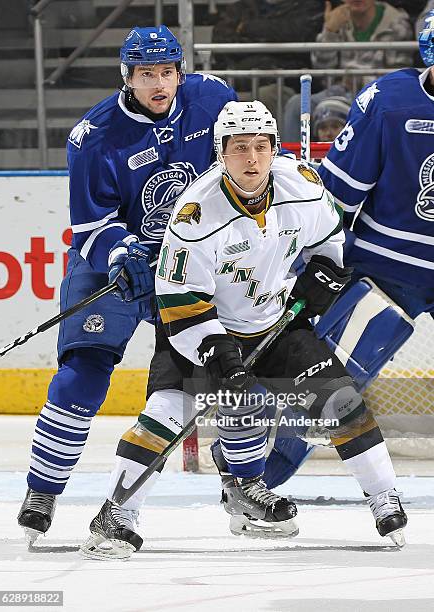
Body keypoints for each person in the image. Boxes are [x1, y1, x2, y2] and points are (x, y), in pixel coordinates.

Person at [80, 101, 407, 560]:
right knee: (166, 415)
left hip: (275, 320)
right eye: (239, 149)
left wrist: (322, 277)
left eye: (260, 147)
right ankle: (117, 513)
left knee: (343, 403)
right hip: (197, 326)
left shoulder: (303, 187)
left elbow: (330, 242)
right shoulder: (195, 214)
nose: (251, 159)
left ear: (275, 149)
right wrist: (216, 350)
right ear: (221, 153)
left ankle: (383, 498)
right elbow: (176, 298)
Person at [17, 24, 237, 544]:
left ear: (180, 72)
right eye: (146, 74)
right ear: (128, 77)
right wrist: (122, 251)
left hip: (188, 265)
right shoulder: (93, 136)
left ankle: (242, 482)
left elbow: (245, 157)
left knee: (224, 368)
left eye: (167, 72)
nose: (159, 83)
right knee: (83, 374)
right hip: (113, 266)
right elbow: (90, 223)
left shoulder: (213, 98)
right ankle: (44, 488)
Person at [249, 7, 434, 534]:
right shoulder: (390, 102)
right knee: (328, 385)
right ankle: (256, 480)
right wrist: (314, 255)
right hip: (385, 268)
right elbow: (337, 196)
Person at [283, 0, 413, 140]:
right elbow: (322, 68)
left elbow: (398, 75)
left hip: (376, 94)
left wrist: (360, 81)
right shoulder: (338, 18)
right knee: (296, 104)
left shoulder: (396, 22)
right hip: (339, 91)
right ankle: (292, 161)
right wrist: (330, 31)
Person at [211, 0, 324, 117]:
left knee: (266, 96)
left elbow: (298, 34)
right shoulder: (239, 8)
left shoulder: (308, 6)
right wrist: (272, 41)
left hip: (286, 82)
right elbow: (221, 40)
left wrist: (248, 28)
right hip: (242, 81)